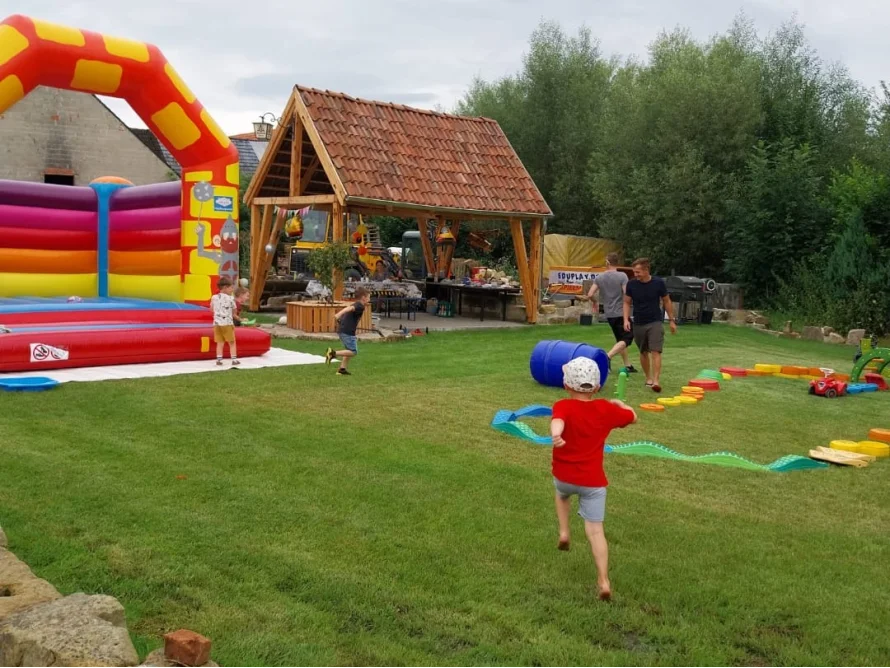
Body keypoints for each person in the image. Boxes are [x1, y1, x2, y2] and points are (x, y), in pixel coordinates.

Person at [550, 356, 637, 601]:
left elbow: (558, 421)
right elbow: (633, 417)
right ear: (597, 387)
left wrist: (556, 435)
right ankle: (603, 580)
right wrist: (619, 404)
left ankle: (565, 532)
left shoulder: (563, 406)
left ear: (567, 386)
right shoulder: (605, 409)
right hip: (593, 482)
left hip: (564, 475)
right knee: (596, 531)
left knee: (562, 494)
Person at [623, 258, 676, 392]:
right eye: (635, 272)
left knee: (656, 350)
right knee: (643, 352)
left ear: (646, 270)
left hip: (655, 321)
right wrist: (626, 319)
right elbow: (627, 303)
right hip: (639, 322)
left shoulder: (658, 283)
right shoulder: (631, 285)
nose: (636, 275)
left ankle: (656, 381)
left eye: (638, 272)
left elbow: (667, 301)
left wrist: (671, 320)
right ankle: (648, 378)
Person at [585, 252, 637, 373]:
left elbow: (590, 294)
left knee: (620, 339)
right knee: (628, 337)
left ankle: (628, 365)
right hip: (620, 312)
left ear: (607, 262)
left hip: (609, 314)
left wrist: (595, 302)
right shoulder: (622, 276)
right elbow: (626, 293)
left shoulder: (599, 277)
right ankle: (607, 357)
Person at [325, 287, 371, 376]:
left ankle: (342, 369)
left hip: (344, 330)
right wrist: (339, 314)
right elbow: (349, 308)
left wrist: (341, 319)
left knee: (348, 351)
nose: (369, 299)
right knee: (353, 351)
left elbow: (349, 309)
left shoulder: (357, 304)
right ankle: (332, 353)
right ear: (363, 297)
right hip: (347, 331)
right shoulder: (360, 306)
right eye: (368, 297)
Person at [210, 277, 239, 366]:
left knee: (220, 342)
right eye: (231, 288)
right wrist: (239, 318)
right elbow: (234, 311)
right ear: (225, 287)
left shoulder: (214, 297)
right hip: (227, 323)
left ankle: (219, 360)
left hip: (217, 324)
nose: (232, 290)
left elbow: (211, 309)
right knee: (232, 342)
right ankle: (234, 360)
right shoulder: (231, 298)